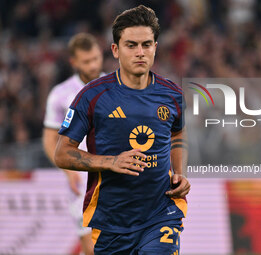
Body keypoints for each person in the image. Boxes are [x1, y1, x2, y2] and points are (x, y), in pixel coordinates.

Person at [54, 5, 190, 255]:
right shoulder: (92, 96)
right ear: (115, 50)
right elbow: (62, 153)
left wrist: (179, 173)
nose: (140, 52)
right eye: (131, 45)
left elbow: (177, 133)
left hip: (161, 214)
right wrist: (111, 161)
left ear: (155, 48)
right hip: (111, 221)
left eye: (147, 45)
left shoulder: (172, 95)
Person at [43, 32, 104, 255]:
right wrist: (68, 171)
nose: (93, 65)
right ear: (74, 62)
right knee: (91, 247)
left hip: (115, 174)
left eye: (96, 58)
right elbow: (50, 140)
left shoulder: (118, 85)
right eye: (87, 61)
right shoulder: (60, 95)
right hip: (82, 178)